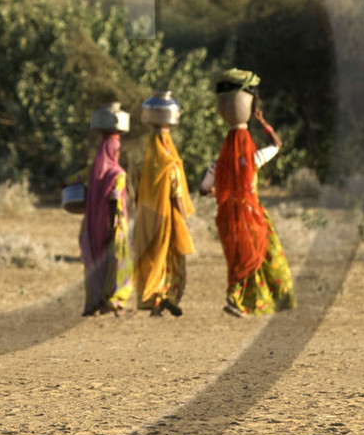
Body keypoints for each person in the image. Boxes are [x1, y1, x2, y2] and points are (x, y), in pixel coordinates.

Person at [205, 69, 294, 317]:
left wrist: (214, 189)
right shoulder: (253, 159)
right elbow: (277, 144)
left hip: (229, 217)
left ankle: (236, 299)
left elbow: (204, 188)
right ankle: (268, 300)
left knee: (239, 260)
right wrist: (262, 122)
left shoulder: (220, 163)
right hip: (252, 214)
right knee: (264, 257)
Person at [135, 120, 195, 317]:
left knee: (154, 259)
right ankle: (167, 297)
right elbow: (177, 196)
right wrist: (183, 219)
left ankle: (157, 301)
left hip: (147, 220)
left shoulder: (143, 168)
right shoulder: (172, 167)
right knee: (172, 260)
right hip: (169, 221)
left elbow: (137, 196)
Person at [81, 105, 134, 316]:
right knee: (118, 262)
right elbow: (114, 200)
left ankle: (92, 302)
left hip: (93, 225)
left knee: (95, 262)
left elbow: (71, 182)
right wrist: (113, 227)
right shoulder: (117, 174)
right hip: (113, 225)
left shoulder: (94, 171)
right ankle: (112, 300)